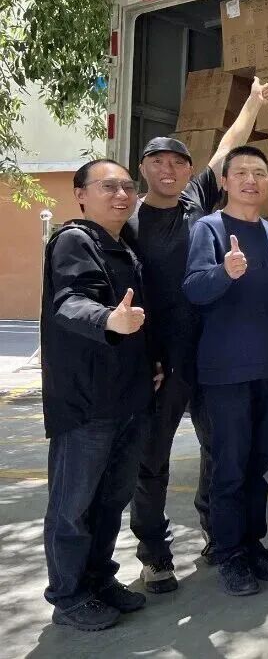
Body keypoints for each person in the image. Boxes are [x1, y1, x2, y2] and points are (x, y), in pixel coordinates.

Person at [125, 76, 268, 594]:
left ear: (191, 172)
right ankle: (154, 552)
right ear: (142, 168)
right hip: (160, 358)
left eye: (178, 162)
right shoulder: (128, 221)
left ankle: (218, 533)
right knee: (153, 459)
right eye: (157, 162)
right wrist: (139, 356)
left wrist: (252, 102)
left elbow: (231, 145)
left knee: (220, 450)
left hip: (209, 352)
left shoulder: (196, 201)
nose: (168, 170)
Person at [41, 159, 157, 631]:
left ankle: (98, 579)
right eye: (109, 187)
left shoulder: (125, 246)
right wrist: (108, 318)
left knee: (111, 500)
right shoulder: (73, 240)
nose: (122, 195)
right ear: (81, 195)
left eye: (128, 186)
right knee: (73, 506)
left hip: (128, 399)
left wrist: (152, 363)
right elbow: (70, 300)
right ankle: (68, 596)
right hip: (86, 403)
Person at [183, 146, 268, 596]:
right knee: (229, 466)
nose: (251, 180)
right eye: (241, 172)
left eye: (259, 172)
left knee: (259, 464)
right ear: (224, 181)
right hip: (225, 371)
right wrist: (224, 272)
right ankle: (229, 553)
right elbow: (194, 288)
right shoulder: (208, 228)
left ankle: (253, 544)